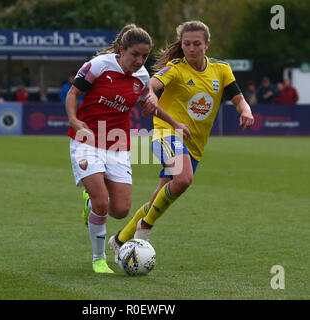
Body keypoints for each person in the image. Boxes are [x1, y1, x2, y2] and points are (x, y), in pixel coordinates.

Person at [107, 20, 254, 263]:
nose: (191, 48)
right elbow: (151, 86)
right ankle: (145, 228)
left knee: (158, 199)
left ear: (207, 44)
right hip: (167, 133)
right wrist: (151, 97)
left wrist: (246, 111)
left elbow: (238, 98)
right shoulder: (175, 68)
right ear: (181, 44)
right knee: (184, 178)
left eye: (197, 44)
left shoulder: (222, 70)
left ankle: (120, 240)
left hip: (194, 145)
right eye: (186, 44)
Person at [66, 24, 190, 274]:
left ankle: (89, 203)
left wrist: (175, 123)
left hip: (119, 145)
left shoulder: (142, 77)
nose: (140, 60)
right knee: (103, 204)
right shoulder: (98, 66)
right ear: (122, 50)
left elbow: (149, 103)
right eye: (135, 54)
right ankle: (98, 258)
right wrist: (75, 121)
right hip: (87, 141)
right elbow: (73, 93)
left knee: (121, 211)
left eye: (144, 56)